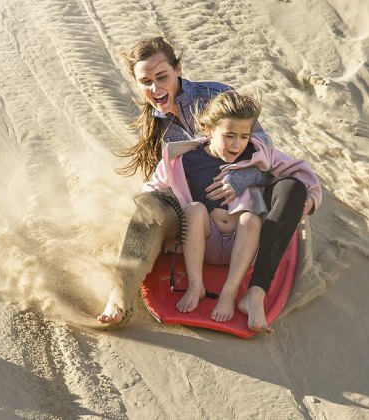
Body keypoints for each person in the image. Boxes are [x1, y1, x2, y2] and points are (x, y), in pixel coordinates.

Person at [98, 37, 314, 332]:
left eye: (162, 77)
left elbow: (261, 147)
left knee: (290, 189)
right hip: (202, 225)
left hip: (244, 213)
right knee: (153, 206)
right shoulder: (162, 133)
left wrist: (243, 178)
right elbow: (161, 184)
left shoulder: (214, 96)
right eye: (146, 81)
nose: (156, 89)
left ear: (178, 69)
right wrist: (163, 220)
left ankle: (255, 292)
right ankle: (120, 292)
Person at [143, 91, 321, 327]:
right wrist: (163, 230)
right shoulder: (184, 159)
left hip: (244, 244)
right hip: (206, 240)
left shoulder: (257, 153)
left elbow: (299, 171)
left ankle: (229, 294)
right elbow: (151, 191)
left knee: (250, 219)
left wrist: (309, 200)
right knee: (195, 210)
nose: (237, 144)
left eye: (244, 136)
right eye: (229, 136)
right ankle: (197, 286)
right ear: (208, 130)